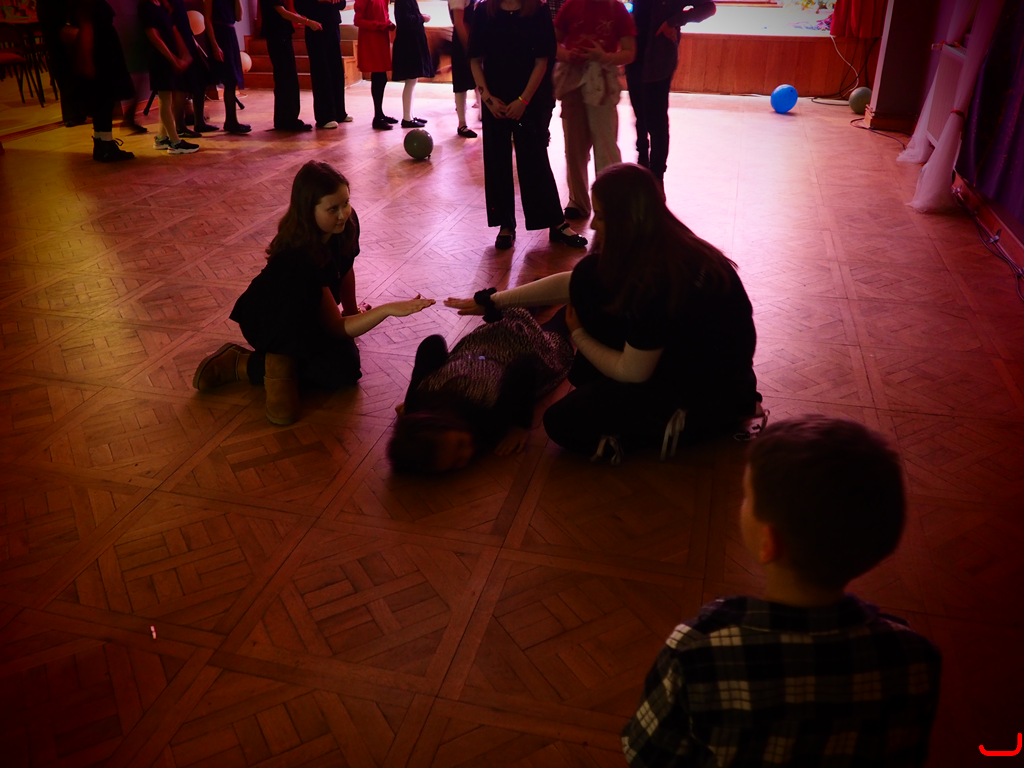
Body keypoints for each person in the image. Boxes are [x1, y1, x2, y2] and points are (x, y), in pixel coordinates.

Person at [622, 415, 943, 766]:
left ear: (769, 542)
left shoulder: (697, 649)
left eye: (747, 496)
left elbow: (648, 753)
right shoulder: (913, 655)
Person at [446, 163, 759, 461]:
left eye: (603, 217)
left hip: (705, 396)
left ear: (629, 220)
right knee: (588, 299)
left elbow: (633, 372)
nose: (594, 224)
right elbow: (576, 283)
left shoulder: (658, 281)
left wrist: (580, 335)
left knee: (562, 423)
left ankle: (680, 427)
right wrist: (495, 301)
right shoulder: (659, 241)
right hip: (694, 364)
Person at [193, 161, 435, 425]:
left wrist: (352, 312)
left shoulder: (345, 224)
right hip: (273, 324)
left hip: (310, 315)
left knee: (345, 369)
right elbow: (336, 328)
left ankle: (258, 364)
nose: (343, 214)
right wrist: (386, 310)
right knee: (318, 372)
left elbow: (345, 268)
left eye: (346, 203)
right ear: (309, 211)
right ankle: (255, 364)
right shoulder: (298, 256)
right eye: (333, 209)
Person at [388, 304, 573, 473]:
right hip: (525, 348)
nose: (467, 453)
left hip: (483, 342)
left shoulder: (419, 401)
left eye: (460, 444)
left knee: (518, 306)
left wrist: (412, 400)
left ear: (438, 421)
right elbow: (524, 368)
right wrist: (520, 425)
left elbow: (432, 344)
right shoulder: (490, 423)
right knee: (562, 320)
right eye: (457, 462)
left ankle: (535, 298)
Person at [467, 0, 586, 251]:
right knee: (497, 160)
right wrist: (487, 99)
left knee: (535, 159)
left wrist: (523, 101)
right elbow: (475, 59)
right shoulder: (484, 11)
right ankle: (505, 224)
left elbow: (542, 60)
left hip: (531, 98)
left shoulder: (538, 10)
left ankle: (555, 222)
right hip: (495, 99)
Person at [553, 0, 635, 220]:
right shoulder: (571, 6)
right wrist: (567, 55)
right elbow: (552, 42)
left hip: (602, 82)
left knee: (605, 146)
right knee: (574, 148)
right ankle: (578, 201)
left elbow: (629, 52)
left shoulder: (617, 8)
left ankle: (609, 203)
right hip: (572, 80)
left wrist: (605, 57)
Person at [626, 0, 715, 184]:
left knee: (656, 122)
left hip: (659, 61)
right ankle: (642, 162)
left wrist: (674, 21)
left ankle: (657, 176)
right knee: (640, 115)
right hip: (634, 58)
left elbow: (708, 8)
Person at [67, 0, 137, 161]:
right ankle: (105, 145)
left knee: (102, 100)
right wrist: (87, 60)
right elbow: (86, 26)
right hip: (101, 54)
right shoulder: (88, 4)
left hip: (101, 51)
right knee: (104, 99)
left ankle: (102, 143)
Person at [139, 0, 200, 153]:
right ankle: (175, 142)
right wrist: (173, 59)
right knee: (165, 100)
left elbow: (173, 29)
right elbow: (154, 36)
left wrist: (184, 53)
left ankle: (161, 138)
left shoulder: (162, 5)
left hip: (169, 58)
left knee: (166, 99)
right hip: (160, 59)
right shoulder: (145, 7)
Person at [261, 0, 322, 131]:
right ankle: (288, 120)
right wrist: (308, 22)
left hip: (279, 35)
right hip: (278, 36)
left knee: (284, 78)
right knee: (287, 78)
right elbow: (283, 12)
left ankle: (283, 119)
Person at [294, 0, 351, 129]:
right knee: (321, 71)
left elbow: (342, 4)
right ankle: (325, 117)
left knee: (336, 70)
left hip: (333, 25)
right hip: (316, 26)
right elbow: (300, 6)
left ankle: (339, 112)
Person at [202, 0, 250, 133]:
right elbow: (207, 20)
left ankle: (231, 120)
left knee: (232, 79)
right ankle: (231, 121)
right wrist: (214, 46)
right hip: (219, 36)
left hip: (230, 35)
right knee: (229, 77)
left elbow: (239, 17)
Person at [354, 0, 397, 130]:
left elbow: (385, 15)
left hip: (381, 38)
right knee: (378, 76)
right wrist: (377, 25)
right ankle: (377, 117)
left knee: (382, 77)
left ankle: (380, 113)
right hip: (371, 40)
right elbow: (358, 20)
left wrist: (389, 23)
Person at [391, 0, 434, 128]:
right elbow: (405, 20)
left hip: (412, 43)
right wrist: (422, 18)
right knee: (410, 81)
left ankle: (410, 114)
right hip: (409, 45)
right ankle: (407, 118)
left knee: (412, 81)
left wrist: (420, 17)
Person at [447, 0, 477, 137]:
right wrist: (468, 49)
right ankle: (462, 124)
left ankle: (483, 116)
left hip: (474, 39)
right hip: (463, 42)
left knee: (479, 80)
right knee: (461, 84)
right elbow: (459, 23)